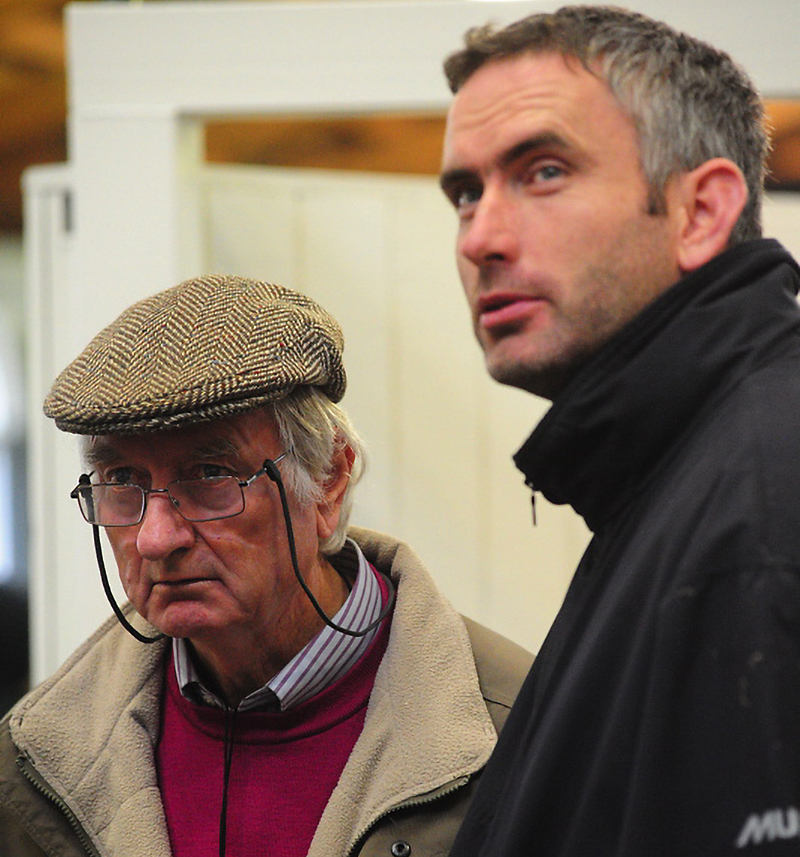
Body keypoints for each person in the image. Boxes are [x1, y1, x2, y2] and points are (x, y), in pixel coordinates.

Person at [0, 274, 531, 857]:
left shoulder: (523, 730)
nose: (154, 538)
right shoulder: (40, 757)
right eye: (122, 481)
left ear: (327, 480)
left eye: (209, 473)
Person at [438, 5, 800, 857]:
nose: (481, 236)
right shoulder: (679, 477)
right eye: (465, 192)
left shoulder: (760, 510)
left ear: (701, 211)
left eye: (545, 170)